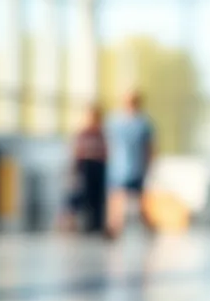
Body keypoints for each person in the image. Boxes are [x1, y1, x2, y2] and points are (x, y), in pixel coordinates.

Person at [106, 90, 155, 236]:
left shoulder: (143, 123)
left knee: (140, 204)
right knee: (117, 202)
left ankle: (150, 229)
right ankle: (115, 230)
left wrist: (149, 166)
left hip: (136, 168)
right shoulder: (115, 121)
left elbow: (149, 148)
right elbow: (109, 145)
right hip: (118, 168)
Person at [66, 105, 108, 234]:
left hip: (99, 166)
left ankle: (97, 224)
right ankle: (81, 224)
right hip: (85, 166)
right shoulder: (82, 133)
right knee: (83, 195)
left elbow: (106, 150)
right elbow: (76, 151)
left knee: (98, 197)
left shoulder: (101, 133)